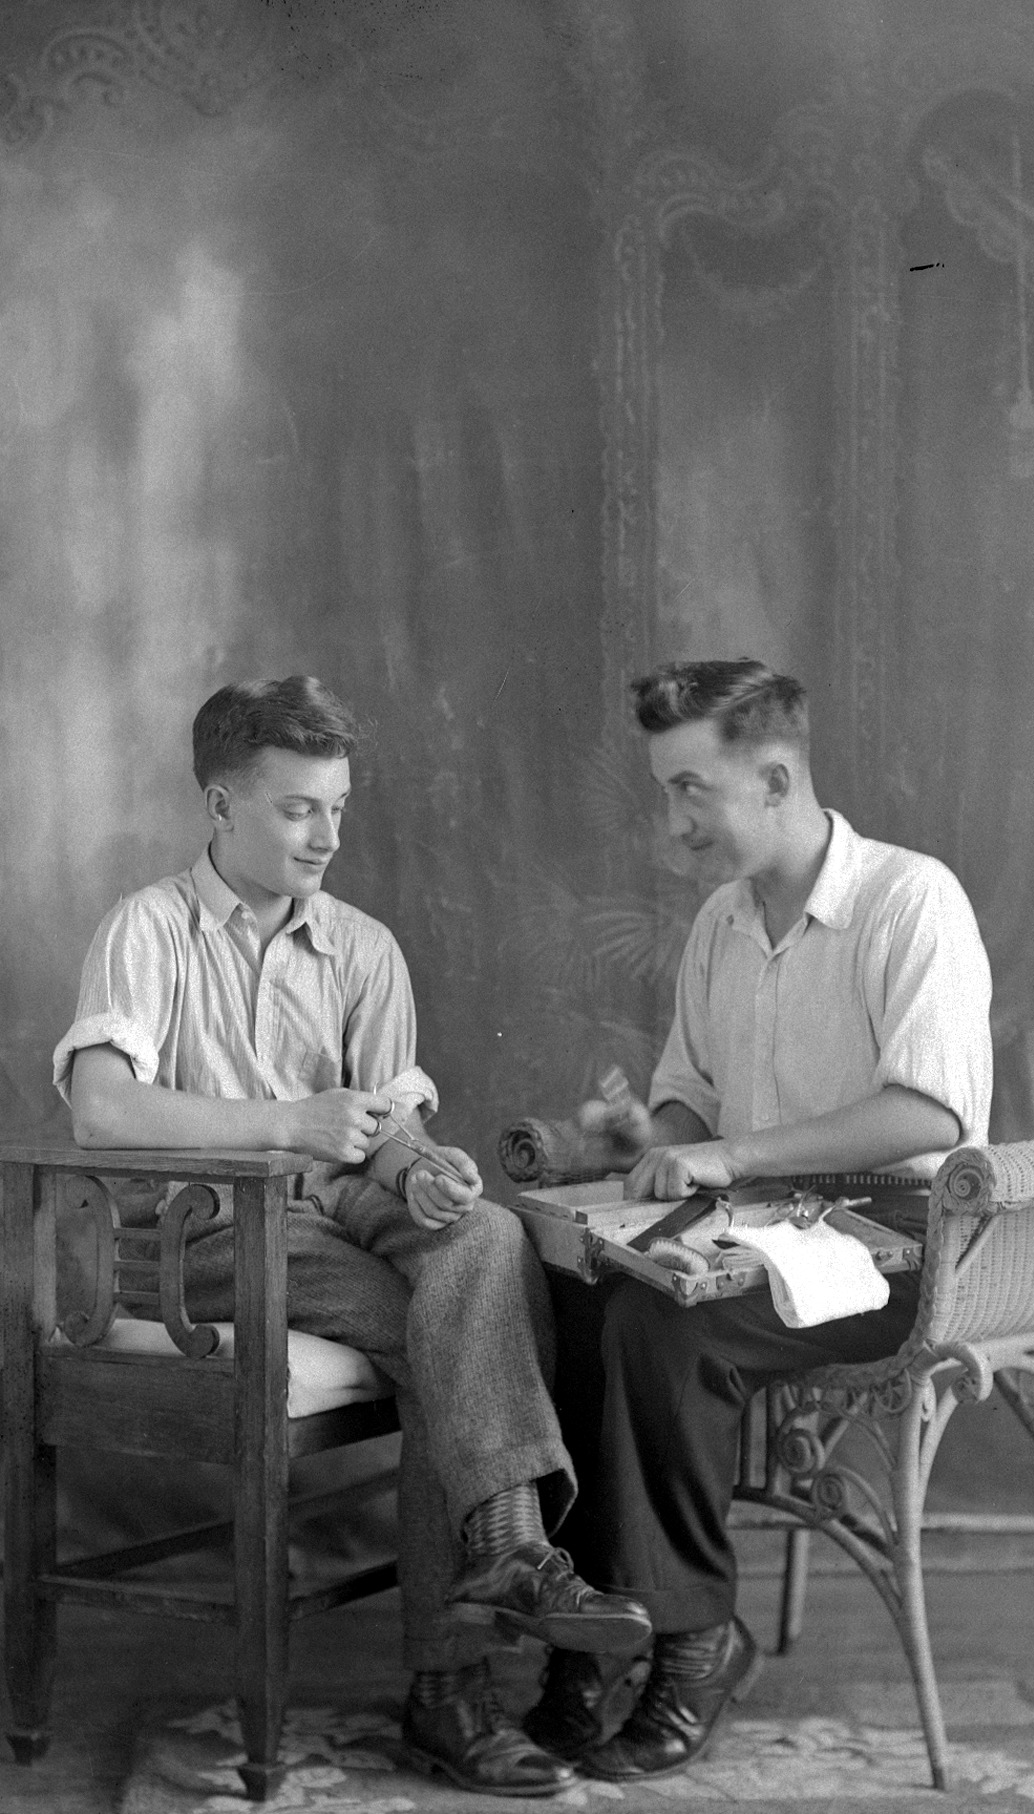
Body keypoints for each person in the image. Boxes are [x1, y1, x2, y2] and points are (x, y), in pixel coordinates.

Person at [53, 675, 651, 1799]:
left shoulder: (363, 947)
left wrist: (424, 1170)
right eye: (296, 809)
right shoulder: (148, 927)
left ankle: (501, 1565)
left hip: (338, 1220)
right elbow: (102, 1106)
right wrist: (292, 1121)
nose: (327, 833)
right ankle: (456, 1682)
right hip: (197, 1239)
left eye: (337, 805)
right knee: (459, 1328)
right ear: (221, 806)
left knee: (475, 1238)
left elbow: (383, 1128)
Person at [522, 658, 993, 1782]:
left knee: (664, 1330)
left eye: (692, 789)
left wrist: (728, 1151)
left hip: (900, 1244)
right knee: (566, 1292)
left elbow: (926, 1107)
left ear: (775, 777)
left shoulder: (907, 897)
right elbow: (692, 1104)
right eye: (667, 790)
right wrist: (647, 1130)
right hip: (762, 1230)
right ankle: (596, 1632)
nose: (673, 820)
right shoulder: (721, 922)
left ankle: (694, 1639)